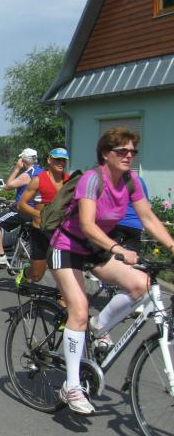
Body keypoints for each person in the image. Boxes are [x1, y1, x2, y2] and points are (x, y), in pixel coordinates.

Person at [48, 127, 174, 414]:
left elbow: (148, 218)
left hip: (96, 247)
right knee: (79, 310)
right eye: (122, 151)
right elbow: (87, 224)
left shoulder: (131, 181)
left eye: (133, 151)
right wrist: (118, 249)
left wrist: (171, 246)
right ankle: (71, 386)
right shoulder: (92, 180)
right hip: (67, 246)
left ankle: (97, 327)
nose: (129, 155)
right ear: (106, 153)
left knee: (142, 285)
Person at [17, 148, 70, 283]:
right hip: (40, 230)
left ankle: (63, 294)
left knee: (64, 269)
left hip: (60, 231)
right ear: (49, 160)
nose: (61, 163)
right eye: (57, 160)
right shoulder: (38, 180)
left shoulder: (69, 181)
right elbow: (21, 205)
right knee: (36, 275)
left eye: (63, 160)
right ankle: (25, 272)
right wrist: (39, 214)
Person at [0, 148, 43, 265]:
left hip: (23, 210)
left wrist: (17, 168)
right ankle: (18, 258)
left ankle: (0, 255)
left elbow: (7, 186)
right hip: (36, 210)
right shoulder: (42, 172)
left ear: (23, 161)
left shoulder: (27, 175)